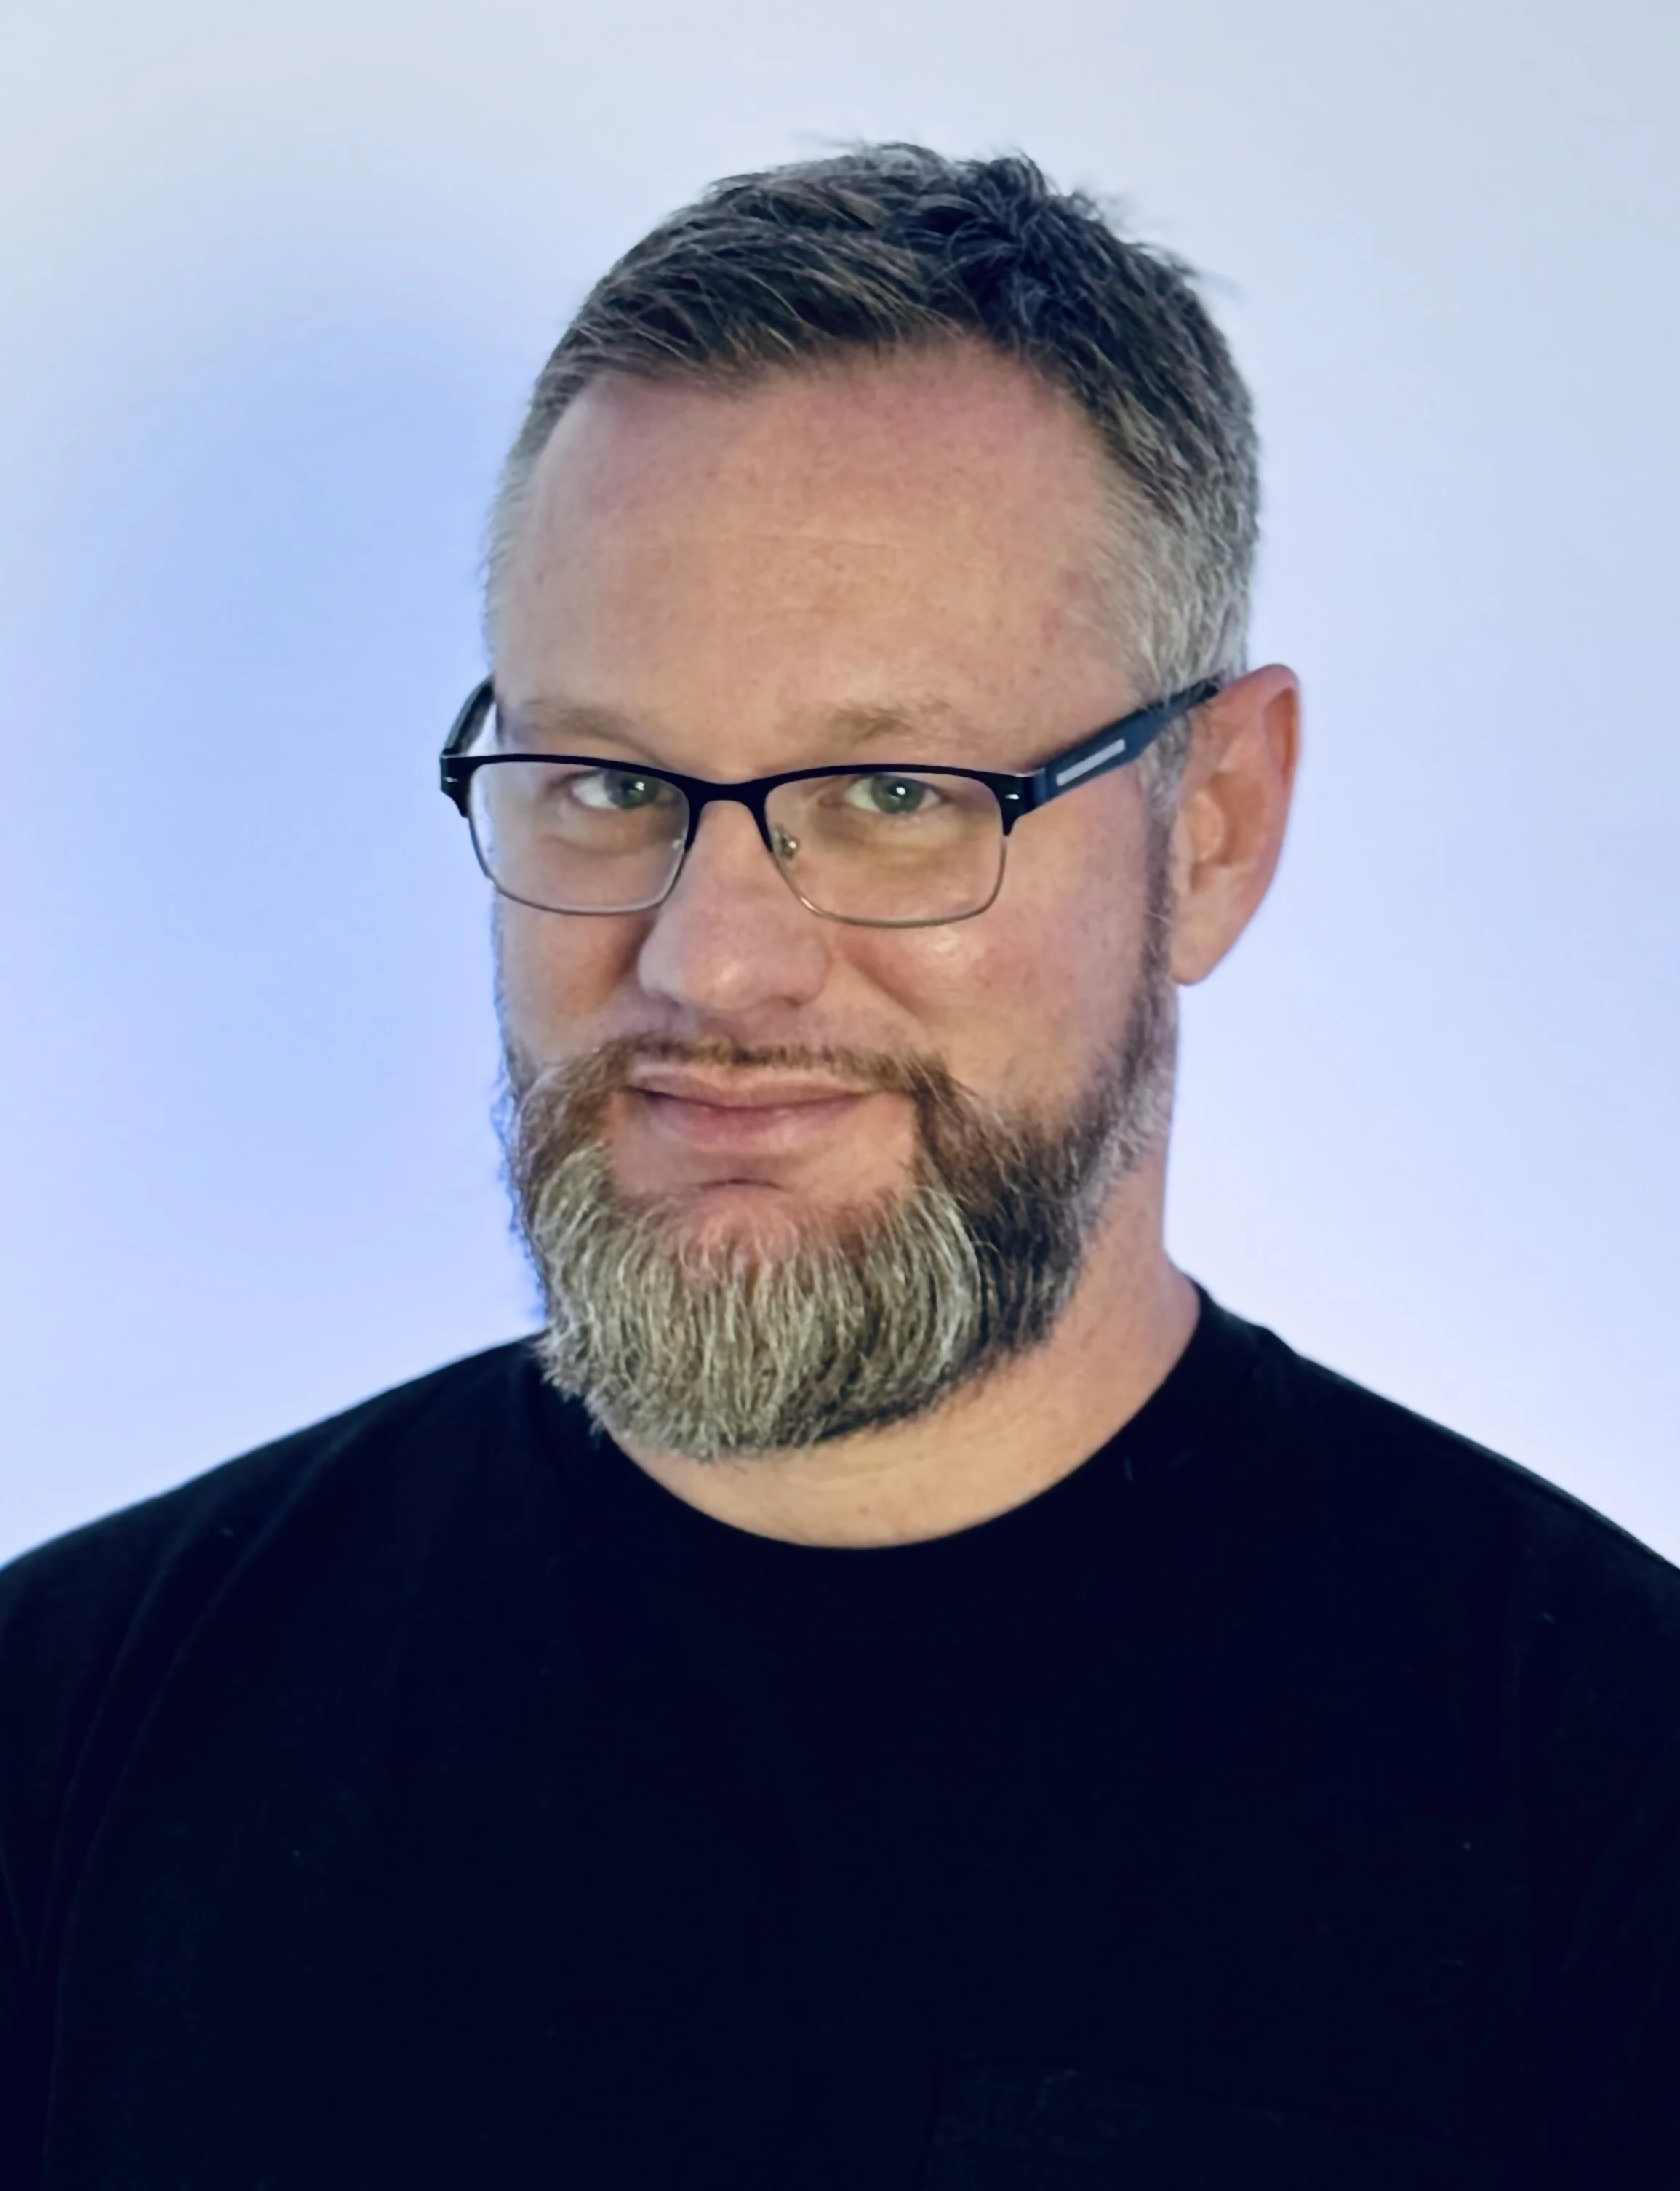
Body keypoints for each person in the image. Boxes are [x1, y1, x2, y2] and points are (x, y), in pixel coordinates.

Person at [1, 145, 1676, 2190]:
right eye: (608, 781)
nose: (710, 961)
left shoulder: (1603, 1809)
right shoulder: (68, 1742)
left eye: (894, 791)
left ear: (1215, 825)